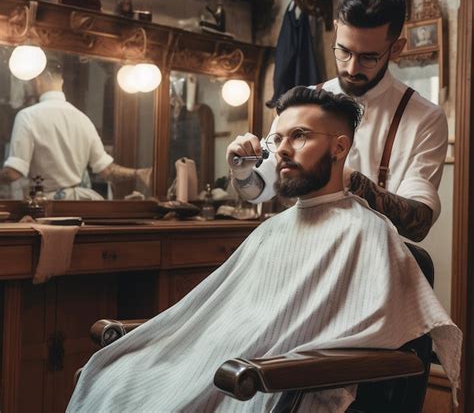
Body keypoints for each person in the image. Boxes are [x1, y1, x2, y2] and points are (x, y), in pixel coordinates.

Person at [68, 87, 460, 412]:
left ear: (340, 147)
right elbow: (224, 318)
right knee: (115, 376)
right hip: (226, 362)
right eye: (277, 139)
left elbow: (380, 338)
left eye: (300, 136)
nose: (282, 150)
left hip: (264, 376)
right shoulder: (273, 229)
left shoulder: (366, 232)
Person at [226, 0, 448, 242]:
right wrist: (241, 171)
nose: (352, 68)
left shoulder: (425, 119)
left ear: (396, 49)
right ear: (335, 30)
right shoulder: (301, 105)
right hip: (304, 250)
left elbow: (418, 223)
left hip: (371, 262)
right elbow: (260, 190)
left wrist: (347, 179)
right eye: (344, 51)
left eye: (368, 57)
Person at [0, 59, 150, 200]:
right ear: (62, 82)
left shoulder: (27, 116)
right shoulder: (83, 119)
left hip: (44, 207)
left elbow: (13, 173)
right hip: (77, 206)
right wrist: (138, 173)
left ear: (37, 81)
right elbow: (107, 171)